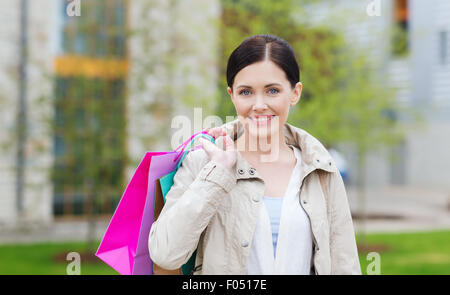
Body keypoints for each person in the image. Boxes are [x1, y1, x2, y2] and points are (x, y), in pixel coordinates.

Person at [148, 34, 361, 275]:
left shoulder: (321, 170)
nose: (259, 104)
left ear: (295, 93)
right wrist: (217, 175)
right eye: (246, 92)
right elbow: (165, 254)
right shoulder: (203, 162)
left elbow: (345, 264)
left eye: (272, 90)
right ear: (232, 95)